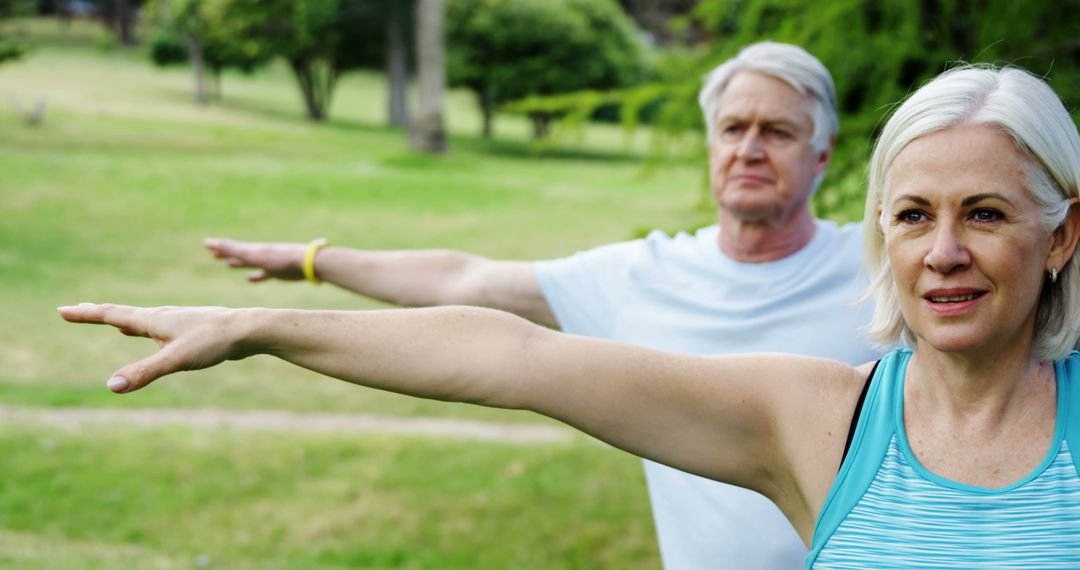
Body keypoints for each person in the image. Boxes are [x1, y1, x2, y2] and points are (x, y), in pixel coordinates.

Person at [61, 63, 1080, 567]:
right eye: (913, 217)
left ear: (1060, 236)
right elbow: (502, 345)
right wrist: (265, 322)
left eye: (984, 214)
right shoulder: (819, 420)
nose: (943, 250)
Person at [201, 42, 879, 569]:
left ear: (823, 154)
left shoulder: (881, 270)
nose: (749, 149)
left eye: (777, 132)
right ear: (711, 145)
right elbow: (464, 282)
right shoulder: (643, 274)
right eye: (733, 128)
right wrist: (315, 261)